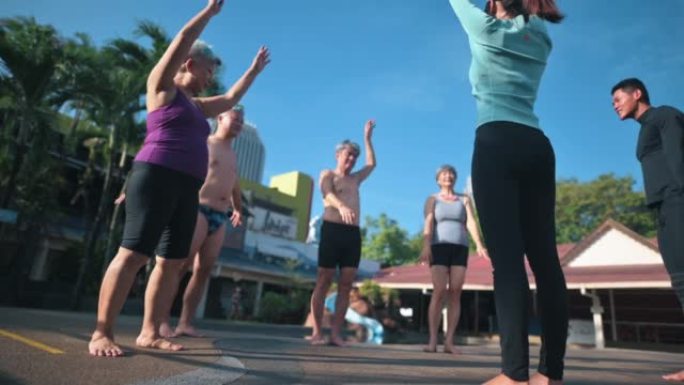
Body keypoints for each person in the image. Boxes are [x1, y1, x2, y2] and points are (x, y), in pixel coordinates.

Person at [88, 0, 269, 357]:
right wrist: (209, 12)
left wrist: (253, 70)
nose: (209, 78)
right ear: (190, 63)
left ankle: (149, 332)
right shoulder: (162, 87)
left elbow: (232, 97)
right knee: (133, 255)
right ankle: (102, 332)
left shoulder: (198, 107)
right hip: (155, 176)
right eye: (207, 71)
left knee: (171, 262)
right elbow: (184, 37)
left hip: (188, 187)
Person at [449, 0, 567, 384]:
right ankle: (551, 374)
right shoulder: (542, 37)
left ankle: (514, 375)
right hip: (537, 145)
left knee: (509, 262)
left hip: (496, 139)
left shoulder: (486, 30)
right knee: (546, 261)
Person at [611, 78, 684, 383]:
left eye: (618, 98)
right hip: (663, 210)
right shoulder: (644, 130)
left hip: (678, 201)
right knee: (680, 281)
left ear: (636, 94)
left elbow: (679, 159)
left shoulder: (664, 116)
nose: (615, 105)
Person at [159, 106, 248, 338]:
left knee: (204, 270)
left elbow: (234, 182)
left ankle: (185, 322)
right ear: (220, 118)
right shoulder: (205, 142)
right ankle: (161, 320)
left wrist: (237, 207)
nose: (239, 124)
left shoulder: (233, 153)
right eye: (235, 119)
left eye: (241, 121)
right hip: (198, 208)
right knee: (180, 265)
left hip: (220, 215)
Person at [308, 120, 376, 347]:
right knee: (323, 280)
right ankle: (317, 331)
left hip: (352, 234)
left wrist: (367, 139)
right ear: (338, 154)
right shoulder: (328, 174)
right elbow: (326, 193)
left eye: (354, 157)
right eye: (348, 155)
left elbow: (371, 164)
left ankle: (336, 333)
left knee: (346, 284)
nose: (351, 160)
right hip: (332, 230)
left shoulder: (355, 179)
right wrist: (341, 206)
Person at [420, 164, 487, 354]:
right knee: (439, 290)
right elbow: (429, 221)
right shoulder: (432, 199)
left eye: (450, 174)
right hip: (438, 247)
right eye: (443, 174)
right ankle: (433, 340)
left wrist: (479, 244)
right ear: (438, 179)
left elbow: (471, 222)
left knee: (456, 291)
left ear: (454, 178)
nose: (447, 176)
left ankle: (449, 341)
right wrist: (426, 244)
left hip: (460, 248)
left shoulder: (464, 199)